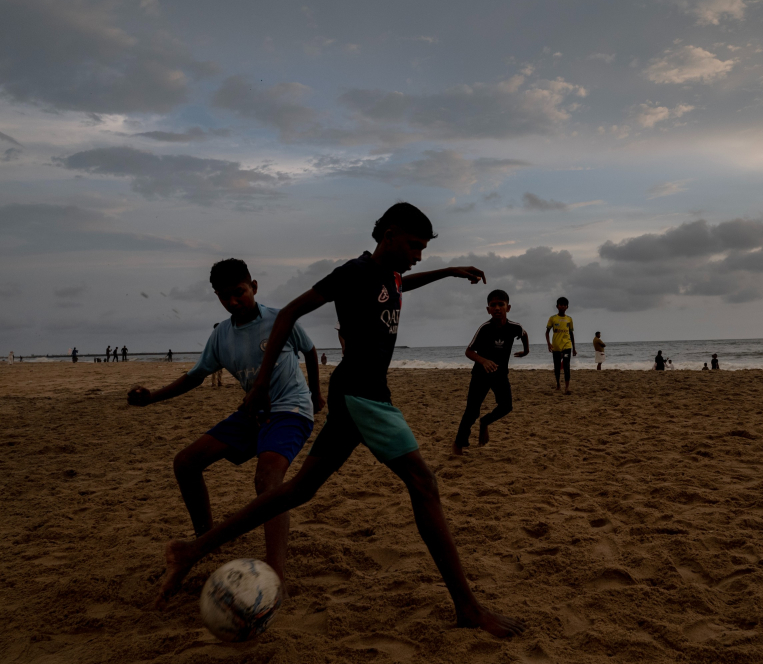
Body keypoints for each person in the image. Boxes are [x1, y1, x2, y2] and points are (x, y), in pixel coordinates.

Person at [156, 203, 525, 638]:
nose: (418, 255)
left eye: (424, 249)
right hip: (362, 394)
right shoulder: (352, 272)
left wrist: (446, 271)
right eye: (414, 246)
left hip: (360, 394)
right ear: (389, 235)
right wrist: (257, 387)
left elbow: (400, 283)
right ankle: (467, 608)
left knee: (300, 489)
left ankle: (194, 549)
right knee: (424, 483)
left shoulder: (387, 275)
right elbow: (291, 311)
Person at [128, 258, 324, 589]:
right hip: (252, 413)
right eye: (224, 296)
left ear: (254, 287)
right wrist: (152, 397)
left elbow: (310, 350)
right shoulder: (221, 335)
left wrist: (317, 394)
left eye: (239, 292)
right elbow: (194, 377)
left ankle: (275, 576)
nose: (233, 301)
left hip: (290, 410)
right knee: (186, 463)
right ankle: (204, 542)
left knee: (267, 478)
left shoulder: (280, 320)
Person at [453, 289, 528, 456]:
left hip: (500, 374)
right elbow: (469, 351)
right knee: (472, 411)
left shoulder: (514, 327)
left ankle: (485, 422)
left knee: (506, 406)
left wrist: (526, 351)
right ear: (488, 309)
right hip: (481, 375)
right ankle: (458, 445)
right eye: (493, 305)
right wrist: (484, 361)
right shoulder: (484, 328)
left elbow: (523, 334)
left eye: (501, 304)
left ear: (508, 307)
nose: (497, 308)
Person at [545, 297, 576, 394]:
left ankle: (567, 387)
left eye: (564, 305)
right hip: (556, 347)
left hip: (567, 346)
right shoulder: (553, 318)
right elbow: (547, 332)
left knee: (566, 366)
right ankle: (558, 384)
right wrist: (549, 343)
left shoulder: (569, 319)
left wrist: (574, 348)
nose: (562, 306)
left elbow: (571, 334)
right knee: (557, 367)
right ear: (557, 306)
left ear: (567, 307)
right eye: (560, 304)